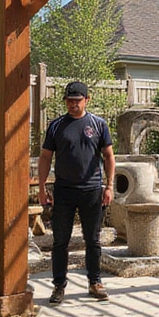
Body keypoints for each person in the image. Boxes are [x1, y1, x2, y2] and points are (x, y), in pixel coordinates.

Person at [38, 81, 115, 305]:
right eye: (70, 101)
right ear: (66, 102)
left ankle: (95, 282)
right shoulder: (56, 126)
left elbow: (109, 157)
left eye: (77, 101)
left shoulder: (98, 125)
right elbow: (45, 157)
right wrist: (42, 187)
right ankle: (59, 285)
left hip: (92, 190)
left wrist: (109, 187)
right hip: (64, 191)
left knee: (93, 239)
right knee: (60, 241)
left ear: (86, 100)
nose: (73, 105)